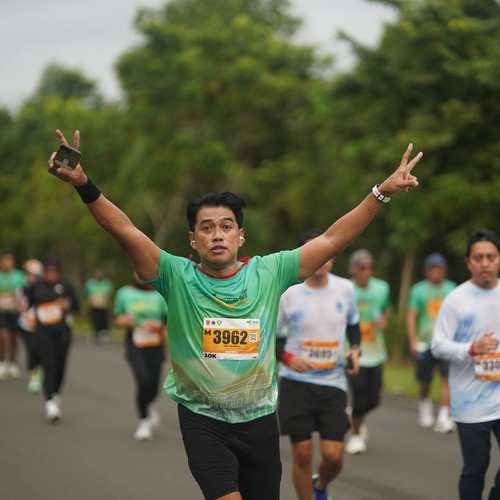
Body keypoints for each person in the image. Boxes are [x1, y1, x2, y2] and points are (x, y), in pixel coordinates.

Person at [48, 128, 422, 500]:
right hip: (203, 422)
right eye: (206, 228)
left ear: (240, 235)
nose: (217, 235)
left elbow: (331, 240)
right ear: (193, 239)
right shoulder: (175, 275)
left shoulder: (270, 272)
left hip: (260, 422)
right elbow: (127, 233)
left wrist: (381, 193)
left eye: (226, 227)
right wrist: (84, 185)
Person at [277, 228, 361, 500]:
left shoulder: (346, 289)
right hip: (296, 382)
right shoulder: (289, 292)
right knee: (302, 454)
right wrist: (288, 358)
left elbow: (353, 325)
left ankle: (321, 485)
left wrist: (355, 350)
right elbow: (271, 335)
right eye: (315, 252)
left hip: (332, 381)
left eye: (327, 252)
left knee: (333, 456)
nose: (322, 258)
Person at [432, 229, 500, 500]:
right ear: (468, 262)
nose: (485, 263)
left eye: (491, 257)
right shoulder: (456, 300)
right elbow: (438, 345)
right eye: (478, 258)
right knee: (476, 468)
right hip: (471, 402)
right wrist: (472, 349)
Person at [344, 249, 391, 455]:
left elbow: (386, 310)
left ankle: (355, 414)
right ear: (352, 269)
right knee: (360, 392)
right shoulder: (345, 289)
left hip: (376, 351)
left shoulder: (382, 288)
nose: (366, 272)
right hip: (353, 351)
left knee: (373, 399)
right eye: (361, 268)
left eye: (369, 268)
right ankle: (355, 435)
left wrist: (384, 320)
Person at [23, 258, 79, 422]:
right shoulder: (36, 286)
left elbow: (77, 306)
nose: (52, 275)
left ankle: (55, 395)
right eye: (49, 272)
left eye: (55, 272)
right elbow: (25, 303)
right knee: (49, 366)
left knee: (60, 368)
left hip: (62, 333)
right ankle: (49, 403)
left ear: (59, 272)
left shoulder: (67, 286)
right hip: (43, 333)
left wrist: (67, 305)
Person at [114, 272, 168, 441]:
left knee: (154, 385)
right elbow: (117, 319)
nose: (140, 273)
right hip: (135, 344)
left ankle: (149, 403)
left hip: (156, 345)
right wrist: (124, 321)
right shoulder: (124, 293)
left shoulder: (160, 293)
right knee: (143, 380)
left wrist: (158, 327)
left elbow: (167, 322)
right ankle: (143, 421)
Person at [406, 252, 456, 432]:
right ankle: (425, 406)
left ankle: (444, 416)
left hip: (446, 341)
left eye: (439, 269)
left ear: (444, 271)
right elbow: (412, 316)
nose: (436, 272)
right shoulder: (418, 290)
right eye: (433, 269)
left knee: (448, 378)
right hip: (425, 342)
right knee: (425, 381)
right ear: (426, 271)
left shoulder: (451, 288)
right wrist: (412, 340)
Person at [17, 259, 44, 393]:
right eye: (28, 274)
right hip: (26, 325)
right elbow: (20, 306)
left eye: (34, 274)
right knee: (31, 351)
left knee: (41, 351)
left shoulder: (44, 288)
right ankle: (33, 378)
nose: (31, 277)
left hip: (41, 326)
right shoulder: (21, 289)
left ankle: (39, 373)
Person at [0, 252, 26, 381]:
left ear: (13, 263)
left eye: (8, 262)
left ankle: (12, 362)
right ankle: (2, 362)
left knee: (14, 338)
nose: (5, 264)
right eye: (4, 262)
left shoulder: (19, 276)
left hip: (15, 312)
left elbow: (24, 292)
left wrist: (17, 300)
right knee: (3, 337)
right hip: (1, 312)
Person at [84, 269, 113, 343]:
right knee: (95, 320)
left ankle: (103, 332)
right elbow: (87, 293)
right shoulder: (90, 283)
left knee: (103, 320)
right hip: (94, 306)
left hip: (103, 306)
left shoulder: (106, 283)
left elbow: (108, 293)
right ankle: (95, 333)